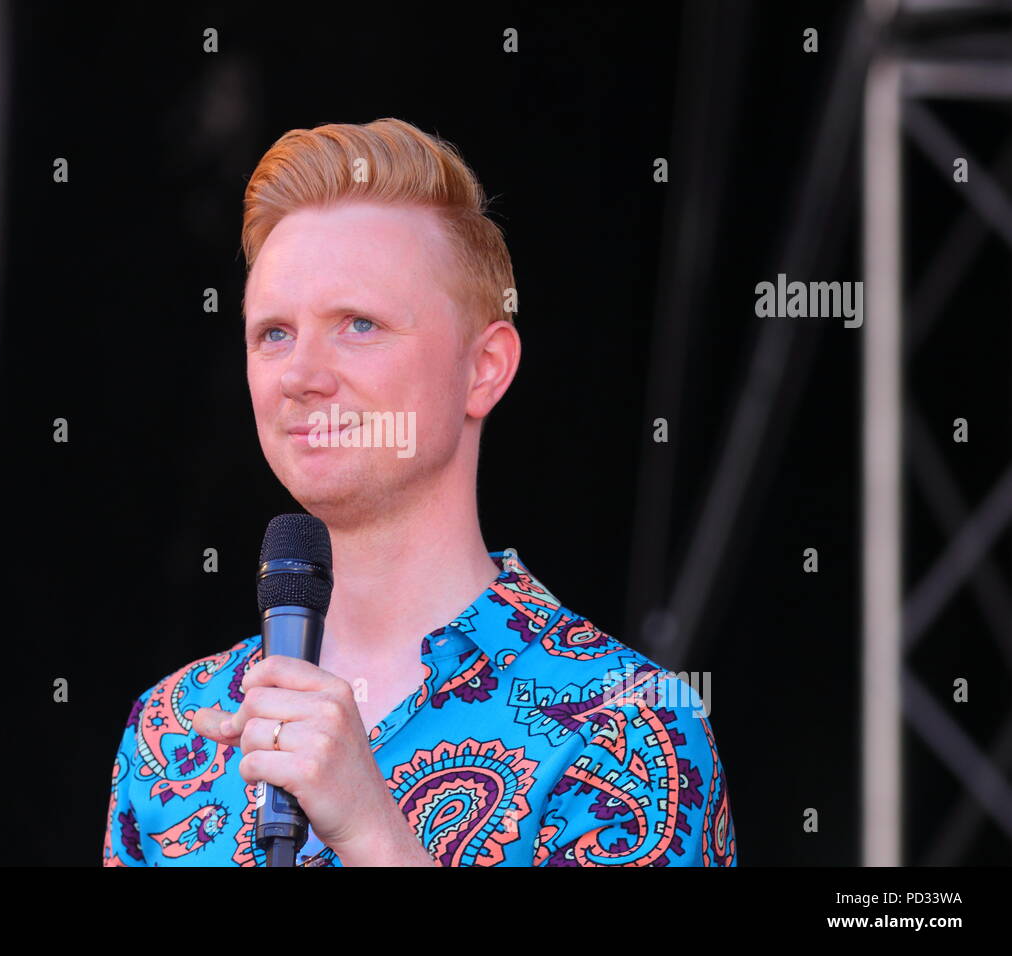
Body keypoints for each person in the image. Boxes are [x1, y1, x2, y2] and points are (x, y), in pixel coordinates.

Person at [102, 117, 737, 866]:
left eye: (359, 324)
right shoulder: (174, 729)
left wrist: (374, 834)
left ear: (485, 369)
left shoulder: (626, 725)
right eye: (274, 333)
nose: (302, 375)